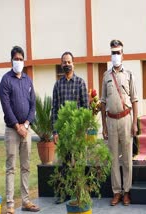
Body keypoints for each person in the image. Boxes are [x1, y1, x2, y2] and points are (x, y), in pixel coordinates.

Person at [0, 46, 40, 213]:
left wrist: (27, 125)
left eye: (21, 59)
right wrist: (17, 126)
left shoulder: (27, 80)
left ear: (24, 61)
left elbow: (33, 105)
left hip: (26, 129)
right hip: (12, 130)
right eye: (16, 59)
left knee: (26, 166)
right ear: (11, 60)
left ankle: (25, 201)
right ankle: (10, 205)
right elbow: (6, 106)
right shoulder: (5, 80)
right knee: (11, 167)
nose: (19, 61)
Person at [101, 39, 138, 206]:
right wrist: (103, 126)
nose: (115, 55)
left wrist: (135, 123)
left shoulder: (129, 75)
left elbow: (135, 100)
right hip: (111, 121)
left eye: (118, 52)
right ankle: (116, 191)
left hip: (126, 120)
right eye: (113, 52)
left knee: (127, 159)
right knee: (114, 159)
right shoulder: (106, 76)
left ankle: (127, 192)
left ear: (123, 54)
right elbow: (102, 102)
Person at [51, 51, 88, 203]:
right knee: (65, 164)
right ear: (61, 65)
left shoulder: (80, 83)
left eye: (69, 62)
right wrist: (54, 131)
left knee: (78, 163)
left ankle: (78, 192)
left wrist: (83, 130)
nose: (67, 64)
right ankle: (63, 193)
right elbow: (54, 109)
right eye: (64, 62)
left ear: (74, 63)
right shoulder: (57, 85)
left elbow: (85, 108)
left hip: (77, 131)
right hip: (63, 132)